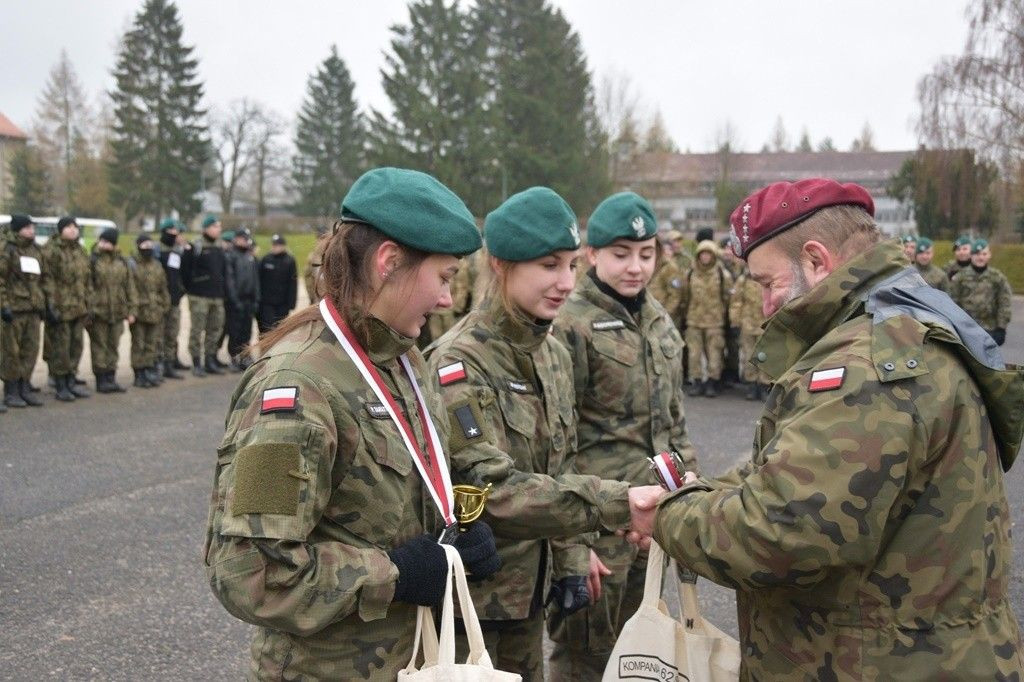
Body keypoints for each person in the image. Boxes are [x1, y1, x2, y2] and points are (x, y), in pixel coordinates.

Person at [635, 178, 1024, 679]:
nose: (766, 306)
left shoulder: (866, 364)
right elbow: (791, 469)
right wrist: (706, 493)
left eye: (766, 283)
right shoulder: (898, 325)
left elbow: (780, 531)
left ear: (817, 261)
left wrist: (666, 517)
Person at [204, 167, 502, 680]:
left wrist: (452, 540)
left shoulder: (406, 362)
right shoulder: (299, 389)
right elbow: (248, 572)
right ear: (389, 263)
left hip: (407, 658)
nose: (450, 299)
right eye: (445, 277)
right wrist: (396, 575)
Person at [425, 186, 664, 680]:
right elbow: (487, 489)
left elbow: (561, 464)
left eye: (572, 265)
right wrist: (618, 504)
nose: (565, 282)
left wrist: (573, 553)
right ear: (501, 264)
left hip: (530, 593)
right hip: (475, 601)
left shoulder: (550, 353)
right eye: (549, 266)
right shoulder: (459, 363)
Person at [546, 191, 700, 680]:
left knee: (640, 653)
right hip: (599, 524)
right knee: (584, 657)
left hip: (649, 522)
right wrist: (571, 542)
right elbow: (554, 442)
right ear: (591, 254)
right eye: (621, 254)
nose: (636, 267)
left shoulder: (657, 320)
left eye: (646, 254)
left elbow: (673, 421)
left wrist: (685, 495)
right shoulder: (569, 324)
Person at [41, 216, 92, 401]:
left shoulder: (80, 251)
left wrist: (88, 303)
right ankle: (60, 384)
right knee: (60, 348)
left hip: (78, 308)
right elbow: (47, 280)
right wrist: (51, 306)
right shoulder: (51, 251)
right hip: (61, 308)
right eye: (69, 227)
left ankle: (71, 381)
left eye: (75, 227)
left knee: (75, 346)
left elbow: (87, 280)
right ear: (61, 230)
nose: (73, 230)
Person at [0, 214, 46, 407]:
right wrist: (4, 305)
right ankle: (11, 391)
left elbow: (41, 279)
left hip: (32, 308)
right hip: (14, 309)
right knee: (12, 351)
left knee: (30, 349)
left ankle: (24, 387)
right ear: (18, 229)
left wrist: (43, 304)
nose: (31, 231)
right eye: (27, 228)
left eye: (32, 228)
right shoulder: (8, 250)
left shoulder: (36, 250)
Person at [680, 240, 732, 397]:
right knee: (694, 354)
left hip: (715, 321)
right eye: (702, 254)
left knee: (714, 353)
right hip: (694, 320)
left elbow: (728, 298)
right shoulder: (690, 274)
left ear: (713, 256)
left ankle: (712, 382)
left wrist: (726, 318)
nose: (705, 257)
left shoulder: (722, 275)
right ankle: (696, 381)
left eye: (708, 254)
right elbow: (685, 296)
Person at [90, 228, 136, 393]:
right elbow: (87, 286)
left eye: (108, 241)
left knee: (113, 345)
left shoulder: (122, 262)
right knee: (99, 346)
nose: (104, 244)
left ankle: (111, 377)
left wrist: (131, 310)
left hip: (117, 311)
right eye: (103, 241)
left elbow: (129, 287)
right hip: (99, 311)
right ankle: (101, 379)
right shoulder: (93, 260)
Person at [182, 214, 227, 376]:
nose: (218, 229)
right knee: (197, 329)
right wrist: (192, 288)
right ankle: (196, 362)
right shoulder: (195, 246)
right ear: (206, 228)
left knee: (215, 328)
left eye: (219, 226)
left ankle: (210, 360)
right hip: (199, 296)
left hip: (217, 295)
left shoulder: (220, 246)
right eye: (215, 226)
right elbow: (185, 271)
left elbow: (223, 270)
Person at [950, 238, 1013, 346]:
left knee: (989, 361)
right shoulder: (960, 277)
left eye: (984, 254)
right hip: (965, 329)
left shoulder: (997, 278)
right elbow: (952, 302)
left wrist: (1001, 328)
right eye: (977, 254)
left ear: (989, 255)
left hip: (990, 329)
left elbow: (1005, 303)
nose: (980, 257)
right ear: (971, 256)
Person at [129, 234, 171, 388]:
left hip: (155, 311)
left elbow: (163, 287)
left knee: (151, 344)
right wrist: (132, 310)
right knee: (138, 344)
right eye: (144, 244)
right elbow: (130, 288)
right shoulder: (132, 265)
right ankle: (138, 374)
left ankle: (148, 371)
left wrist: (164, 305)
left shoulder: (157, 265)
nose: (148, 247)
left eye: (149, 244)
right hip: (140, 311)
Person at [728, 260, 770, 400]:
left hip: (765, 324)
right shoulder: (743, 280)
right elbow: (736, 302)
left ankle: (764, 384)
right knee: (749, 356)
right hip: (747, 324)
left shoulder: (768, 278)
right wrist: (735, 322)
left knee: (765, 356)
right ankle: (752, 385)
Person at [224, 227, 260, 371]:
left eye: (247, 239)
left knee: (246, 331)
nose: (246, 241)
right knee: (234, 331)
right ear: (237, 239)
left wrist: (257, 299)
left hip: (249, 300)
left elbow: (255, 280)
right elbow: (230, 280)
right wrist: (234, 300)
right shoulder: (231, 256)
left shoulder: (249, 257)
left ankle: (245, 356)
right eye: (243, 238)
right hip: (236, 301)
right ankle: (234, 358)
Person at [157, 218, 188, 378]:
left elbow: (179, 275)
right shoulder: (157, 251)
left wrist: (181, 290)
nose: (175, 234)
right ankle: (160, 364)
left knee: (172, 332)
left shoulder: (175, 252)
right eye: (172, 231)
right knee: (160, 333)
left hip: (174, 299)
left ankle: (170, 362)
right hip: (160, 301)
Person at [257, 233, 297, 335]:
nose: (275, 247)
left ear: (283, 246)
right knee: (267, 329)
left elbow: (293, 283)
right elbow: (259, 280)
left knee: (280, 330)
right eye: (273, 245)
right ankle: (265, 350)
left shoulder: (290, 261)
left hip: (282, 304)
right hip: (267, 303)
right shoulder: (266, 259)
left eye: (277, 245)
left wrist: (291, 303)